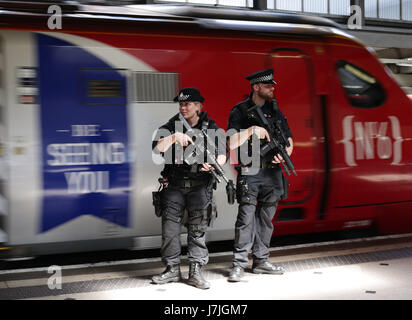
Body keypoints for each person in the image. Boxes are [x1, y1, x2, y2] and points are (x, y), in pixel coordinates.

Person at [151, 87, 226, 289]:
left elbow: (222, 153)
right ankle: (172, 270)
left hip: (199, 187)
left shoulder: (210, 126)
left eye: (188, 104)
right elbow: (157, 148)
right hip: (174, 186)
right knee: (170, 230)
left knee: (198, 230)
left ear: (198, 106)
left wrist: (213, 164)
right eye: (181, 104)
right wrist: (175, 137)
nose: (183, 108)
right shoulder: (171, 124)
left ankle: (195, 271)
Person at [226, 69, 294, 282]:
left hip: (273, 174)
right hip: (250, 171)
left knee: (266, 220)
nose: (272, 88)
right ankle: (238, 264)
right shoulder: (240, 111)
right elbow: (231, 142)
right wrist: (251, 131)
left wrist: (284, 156)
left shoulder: (276, 110)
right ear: (256, 87)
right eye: (268, 86)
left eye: (272, 86)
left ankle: (261, 261)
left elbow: (289, 141)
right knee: (245, 219)